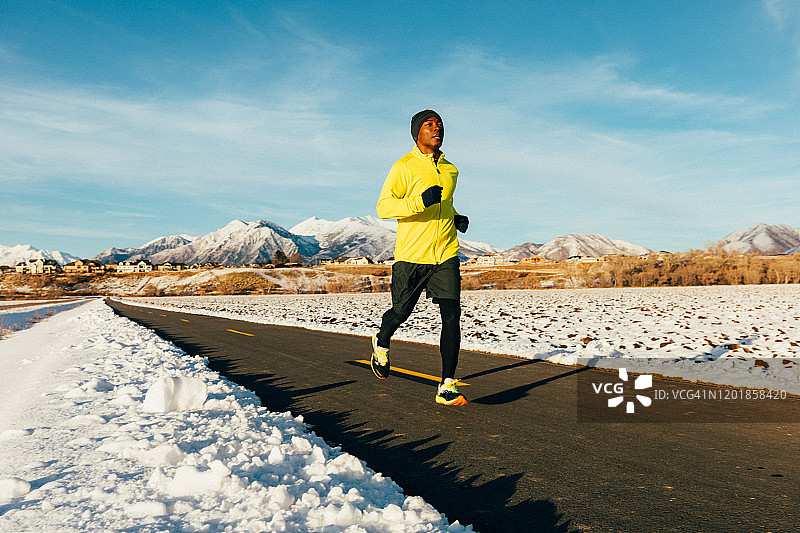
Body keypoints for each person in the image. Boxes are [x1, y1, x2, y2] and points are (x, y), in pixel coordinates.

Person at [371, 109, 470, 406]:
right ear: (417, 133)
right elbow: (384, 207)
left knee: (452, 318)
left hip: (446, 253)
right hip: (412, 254)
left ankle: (447, 384)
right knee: (401, 312)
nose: (436, 128)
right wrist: (419, 201)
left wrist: (455, 217)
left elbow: (445, 204)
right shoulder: (403, 166)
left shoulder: (451, 169)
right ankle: (381, 340)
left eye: (439, 124)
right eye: (429, 124)